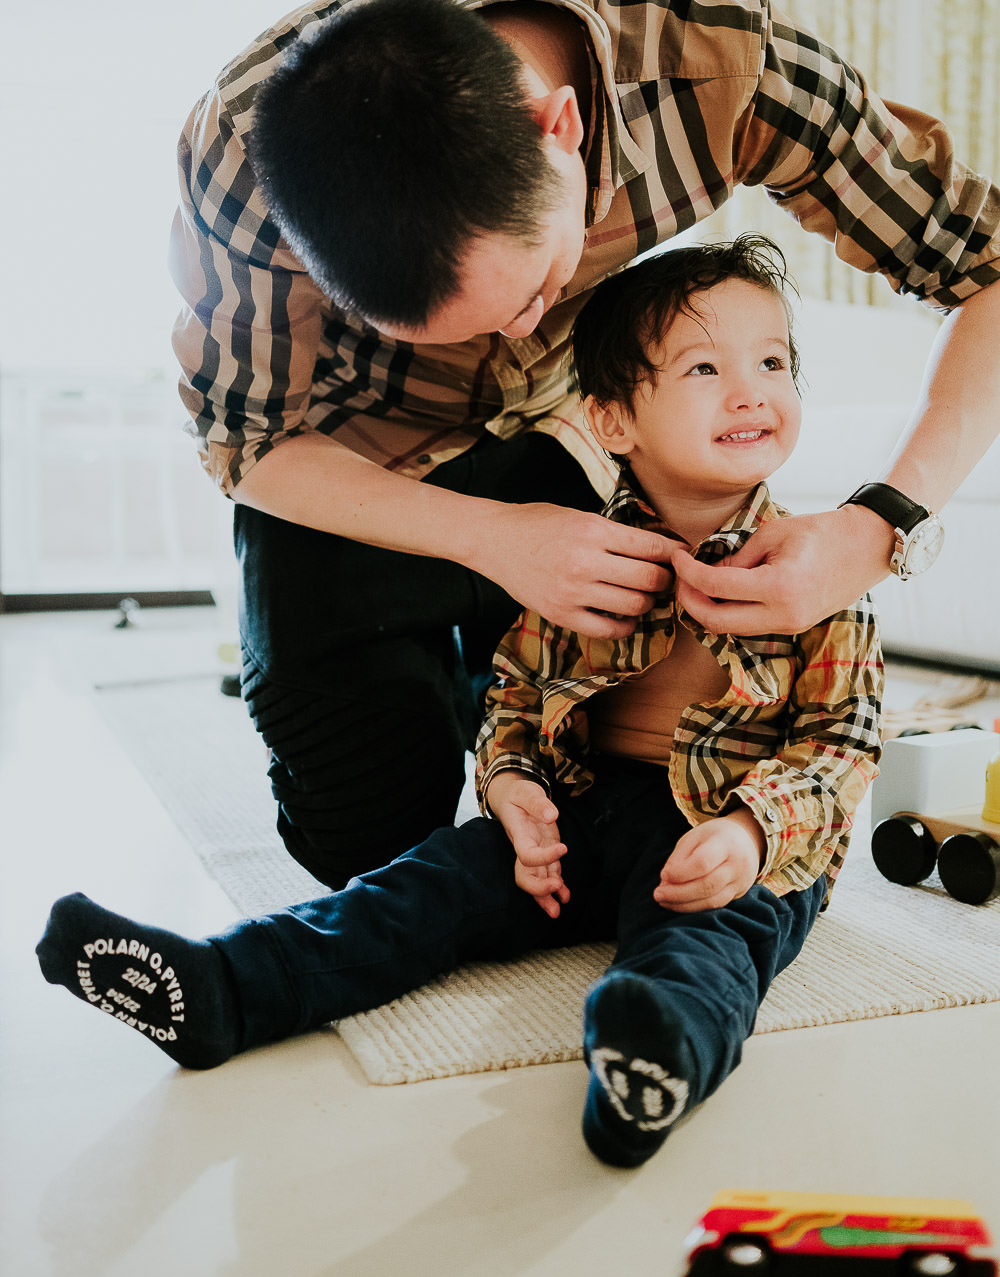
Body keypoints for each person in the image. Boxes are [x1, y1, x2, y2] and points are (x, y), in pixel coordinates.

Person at [168, 0, 994, 888]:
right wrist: (494, 539)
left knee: (598, 790)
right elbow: (245, 440)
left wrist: (880, 523)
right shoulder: (237, 161)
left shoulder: (727, 61)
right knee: (364, 849)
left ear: (557, 125)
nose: (517, 331)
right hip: (360, 468)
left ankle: (484, 665)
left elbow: (990, 271)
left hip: (572, 434)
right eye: (439, 328)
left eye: (537, 287)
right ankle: (447, 667)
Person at [39, 236, 883, 1168]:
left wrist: (752, 837)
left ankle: (654, 1055)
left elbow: (842, 744)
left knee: (710, 949)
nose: (752, 390)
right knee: (420, 887)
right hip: (579, 823)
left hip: (722, 838)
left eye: (773, 362)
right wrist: (515, 792)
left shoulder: (815, 572)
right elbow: (517, 697)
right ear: (611, 420)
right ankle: (225, 986)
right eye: (704, 367)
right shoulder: (579, 559)